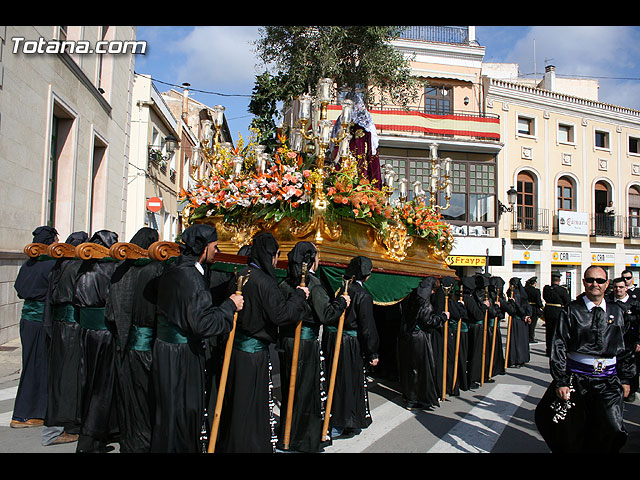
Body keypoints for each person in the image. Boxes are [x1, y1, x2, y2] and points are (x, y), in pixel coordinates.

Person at [150, 224, 242, 453]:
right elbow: (204, 324)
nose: (216, 249)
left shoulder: (172, 270)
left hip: (164, 351)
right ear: (203, 248)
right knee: (183, 412)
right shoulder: (193, 279)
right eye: (213, 246)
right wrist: (230, 306)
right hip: (182, 356)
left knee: (168, 413)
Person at [216, 233, 308, 453]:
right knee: (250, 406)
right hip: (253, 354)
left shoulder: (241, 274)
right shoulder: (265, 281)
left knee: (237, 403)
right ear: (270, 256)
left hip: (237, 351)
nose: (277, 260)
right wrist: (298, 297)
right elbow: (281, 315)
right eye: (276, 255)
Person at [535, 265, 635, 453]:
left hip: (608, 381)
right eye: (590, 280)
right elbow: (559, 345)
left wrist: (626, 378)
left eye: (599, 281)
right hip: (578, 380)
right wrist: (561, 381)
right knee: (573, 431)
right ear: (584, 283)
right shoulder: (572, 311)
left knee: (613, 429)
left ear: (607, 284)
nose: (594, 284)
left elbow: (626, 347)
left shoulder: (618, 311)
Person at [276, 241, 350, 452]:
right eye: (317, 257)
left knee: (293, 389)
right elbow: (326, 314)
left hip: (287, 343)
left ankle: (289, 433)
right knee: (304, 391)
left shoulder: (284, 282)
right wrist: (342, 302)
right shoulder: (312, 284)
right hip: (304, 344)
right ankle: (302, 437)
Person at [105, 227, 161, 453]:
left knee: (127, 397)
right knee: (142, 399)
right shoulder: (147, 272)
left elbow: (110, 311)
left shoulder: (120, 270)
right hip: (142, 345)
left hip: (122, 342)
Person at [73, 230, 120, 453]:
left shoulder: (84, 267)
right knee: (101, 387)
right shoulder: (109, 269)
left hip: (85, 333)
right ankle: (92, 439)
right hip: (104, 335)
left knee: (88, 382)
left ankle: (94, 433)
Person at [322, 255, 379, 438]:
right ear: (367, 276)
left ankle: (340, 421)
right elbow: (367, 327)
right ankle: (344, 422)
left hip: (335, 340)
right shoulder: (362, 295)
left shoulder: (342, 290)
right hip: (349, 343)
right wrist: (372, 352)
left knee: (337, 380)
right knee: (347, 383)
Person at [42, 230, 88, 446]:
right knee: (70, 377)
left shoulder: (58, 267)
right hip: (71, 328)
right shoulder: (75, 267)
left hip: (60, 327)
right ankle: (67, 424)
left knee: (61, 375)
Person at [10, 226, 59, 429]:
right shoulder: (51, 264)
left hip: (27, 320)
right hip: (41, 319)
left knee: (30, 363)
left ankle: (23, 413)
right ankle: (30, 413)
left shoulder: (29, 264)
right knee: (39, 365)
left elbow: (19, 288)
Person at [397, 276, 448, 409]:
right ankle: (415, 399)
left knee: (411, 368)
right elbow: (428, 320)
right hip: (419, 337)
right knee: (419, 369)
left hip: (408, 336)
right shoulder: (424, 301)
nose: (432, 293)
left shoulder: (412, 296)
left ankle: (409, 396)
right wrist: (443, 317)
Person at [609, 277, 640, 402]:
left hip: (630, 341)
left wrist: (639, 341)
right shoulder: (609, 302)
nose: (618, 290)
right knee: (614, 367)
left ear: (626, 288)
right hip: (613, 341)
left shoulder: (635, 304)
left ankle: (631, 391)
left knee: (632, 368)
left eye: (621, 287)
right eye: (616, 287)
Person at [462, 275, 490, 388]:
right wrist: (484, 306)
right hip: (473, 327)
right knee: (475, 353)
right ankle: (472, 379)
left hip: (471, 327)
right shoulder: (468, 298)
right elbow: (477, 314)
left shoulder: (467, 297)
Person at [505, 277, 532, 368]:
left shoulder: (514, 293)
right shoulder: (521, 292)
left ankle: (516, 359)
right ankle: (522, 358)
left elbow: (517, 306)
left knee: (517, 340)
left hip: (517, 318)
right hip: (522, 319)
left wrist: (524, 315)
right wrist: (528, 315)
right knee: (522, 340)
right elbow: (527, 305)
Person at [543, 271, 571, 357]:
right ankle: (554, 350)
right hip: (557, 311)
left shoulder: (547, 288)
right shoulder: (562, 290)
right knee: (557, 332)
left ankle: (548, 350)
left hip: (548, 311)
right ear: (559, 280)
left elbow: (544, 297)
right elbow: (567, 301)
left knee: (549, 331)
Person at [525, 277, 544, 343]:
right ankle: (531, 337)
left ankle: (526, 336)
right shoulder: (536, 291)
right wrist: (542, 307)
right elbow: (538, 302)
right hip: (534, 308)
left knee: (526, 323)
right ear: (535, 283)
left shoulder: (525, 289)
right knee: (532, 324)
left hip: (526, 307)